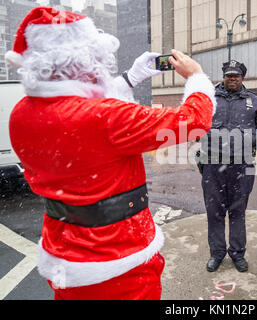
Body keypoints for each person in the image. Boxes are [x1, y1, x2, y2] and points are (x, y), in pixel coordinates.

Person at [6, 7, 215, 300]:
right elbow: (194, 121)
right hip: (120, 262)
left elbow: (74, 107)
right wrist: (197, 78)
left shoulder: (21, 115)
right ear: (86, 60)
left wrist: (131, 78)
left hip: (64, 256)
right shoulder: (106, 118)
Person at [199, 60, 257, 273]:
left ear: (242, 78)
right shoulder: (209, 98)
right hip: (212, 163)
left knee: (238, 211)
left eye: (236, 75)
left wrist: (252, 141)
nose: (232, 79)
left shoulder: (254, 101)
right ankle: (217, 253)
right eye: (229, 75)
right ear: (224, 76)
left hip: (242, 164)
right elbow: (196, 122)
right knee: (214, 211)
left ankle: (237, 253)